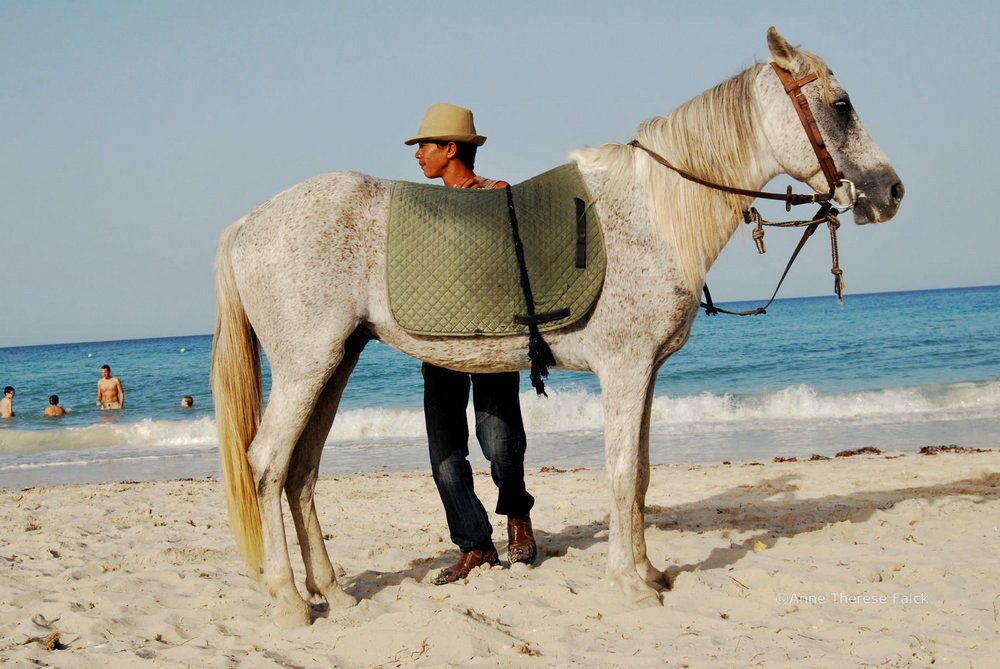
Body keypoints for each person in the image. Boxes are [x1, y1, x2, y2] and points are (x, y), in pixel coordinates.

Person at [404, 103, 537, 585]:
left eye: (425, 146)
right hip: (438, 346)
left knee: (499, 444)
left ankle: (517, 517)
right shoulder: (423, 210)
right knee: (444, 457)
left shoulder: (497, 195)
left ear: (450, 148)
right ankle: (476, 544)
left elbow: (515, 264)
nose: (418, 155)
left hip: (490, 340)